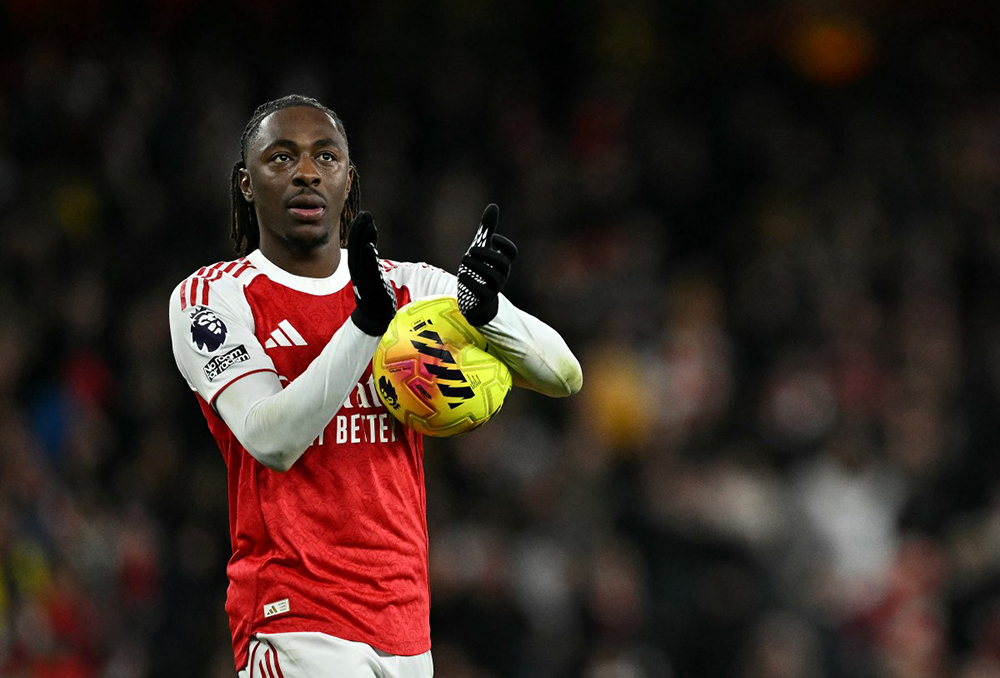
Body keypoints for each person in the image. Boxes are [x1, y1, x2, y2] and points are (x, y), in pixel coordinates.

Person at [168, 94, 583, 678]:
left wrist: (487, 313)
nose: (307, 172)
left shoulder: (414, 288)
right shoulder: (214, 297)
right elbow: (271, 438)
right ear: (245, 182)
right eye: (281, 158)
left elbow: (565, 375)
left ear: (349, 179)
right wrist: (366, 324)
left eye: (325, 157)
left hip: (406, 624)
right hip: (295, 617)